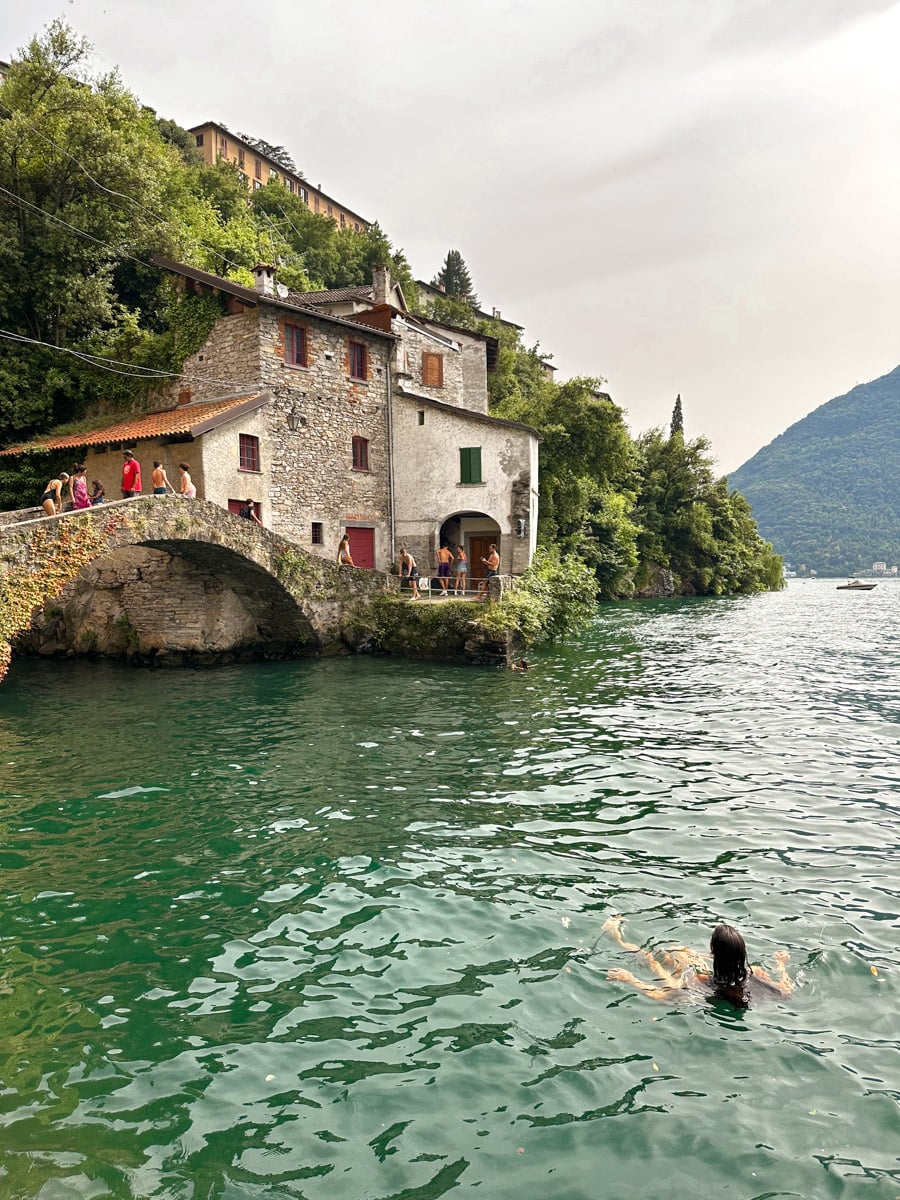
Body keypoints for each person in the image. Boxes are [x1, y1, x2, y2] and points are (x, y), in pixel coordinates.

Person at [604, 915, 793, 1008]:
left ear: (713, 951)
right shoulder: (756, 973)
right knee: (681, 954)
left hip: (694, 990)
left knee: (655, 962)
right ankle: (620, 939)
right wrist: (781, 964)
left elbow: (663, 997)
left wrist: (629, 979)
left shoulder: (702, 981)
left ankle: (618, 939)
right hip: (722, 993)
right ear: (742, 952)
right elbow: (786, 991)